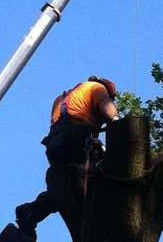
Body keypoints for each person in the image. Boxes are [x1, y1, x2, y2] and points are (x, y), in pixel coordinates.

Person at [14, 76, 119, 240]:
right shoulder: (98, 89)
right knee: (88, 186)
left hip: (55, 144)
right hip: (76, 141)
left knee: (63, 189)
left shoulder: (64, 98)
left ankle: (32, 211)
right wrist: (119, 124)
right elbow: (111, 115)